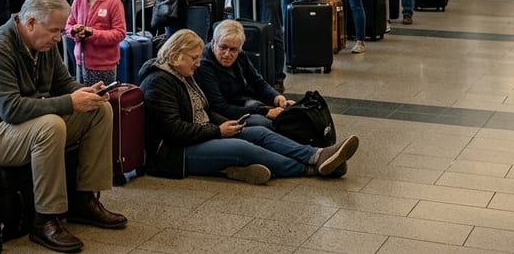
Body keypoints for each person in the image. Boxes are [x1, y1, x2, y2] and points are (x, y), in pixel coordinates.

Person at [0, 0, 128, 253]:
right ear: (31, 22)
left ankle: (84, 199)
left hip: (18, 126)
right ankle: (45, 219)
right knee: (50, 126)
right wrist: (70, 102)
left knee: (99, 111)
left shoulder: (43, 43)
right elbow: (11, 110)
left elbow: (63, 83)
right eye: (55, 30)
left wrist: (87, 93)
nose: (59, 37)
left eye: (61, 31)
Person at [138, 29, 360, 185]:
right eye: (194, 58)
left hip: (200, 135)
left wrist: (222, 124)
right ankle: (312, 169)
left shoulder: (182, 74)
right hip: (174, 153)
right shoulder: (158, 82)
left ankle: (316, 155)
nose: (198, 62)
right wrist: (218, 130)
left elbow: (204, 111)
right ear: (176, 55)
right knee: (241, 148)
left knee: (259, 133)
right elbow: (174, 130)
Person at [194, 21, 293, 128]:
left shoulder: (240, 55)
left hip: (240, 102)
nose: (227, 54)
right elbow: (220, 108)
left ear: (240, 48)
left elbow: (258, 82)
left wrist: (276, 97)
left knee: (287, 113)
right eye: (223, 47)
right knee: (267, 123)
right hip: (220, 114)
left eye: (233, 50)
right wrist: (265, 111)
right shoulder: (203, 65)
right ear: (213, 43)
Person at [64, 0, 126, 86]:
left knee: (102, 100)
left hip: (104, 65)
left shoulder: (113, 3)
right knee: (85, 99)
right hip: (80, 61)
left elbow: (120, 33)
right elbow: (69, 25)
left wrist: (93, 33)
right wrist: (74, 31)